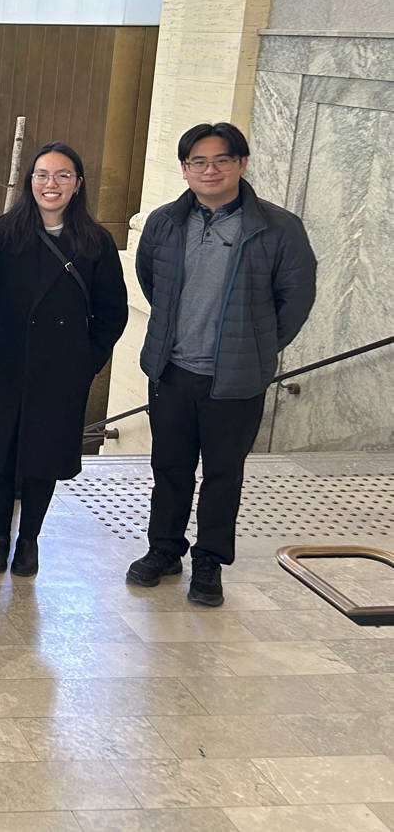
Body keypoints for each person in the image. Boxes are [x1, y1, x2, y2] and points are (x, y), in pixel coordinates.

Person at [127, 122, 316, 606]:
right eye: (198, 162)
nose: (209, 170)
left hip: (235, 379)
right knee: (169, 467)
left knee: (223, 474)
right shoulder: (165, 223)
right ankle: (164, 550)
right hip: (171, 371)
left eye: (220, 160)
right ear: (185, 169)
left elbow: (295, 300)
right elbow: (152, 280)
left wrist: (255, 348)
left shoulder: (277, 228)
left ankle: (209, 562)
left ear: (242, 164)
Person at [0, 142, 129, 577]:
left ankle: (29, 540)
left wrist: (86, 362)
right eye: (43, 175)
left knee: (43, 457)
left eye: (63, 175)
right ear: (30, 182)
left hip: (58, 372)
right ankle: (0, 536)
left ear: (78, 184)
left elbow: (112, 313)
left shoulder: (95, 241)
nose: (52, 184)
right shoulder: (4, 234)